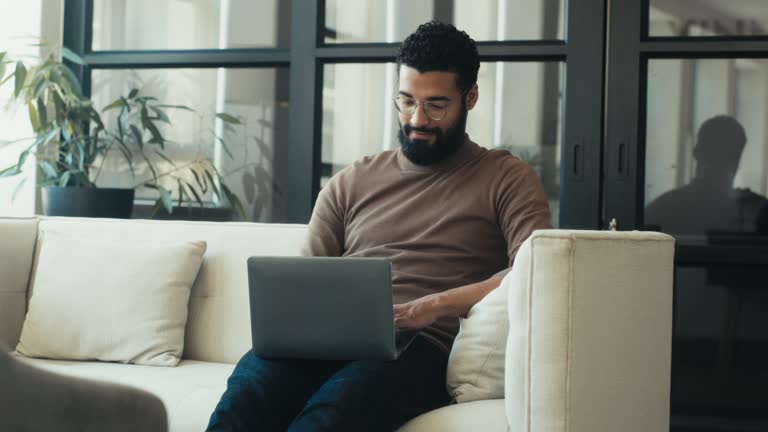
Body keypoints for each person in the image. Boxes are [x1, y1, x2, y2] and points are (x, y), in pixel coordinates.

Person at [207, 21, 552, 432]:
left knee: (330, 414)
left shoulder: (506, 177)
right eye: (406, 101)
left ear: (470, 98)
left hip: (419, 347)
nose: (417, 118)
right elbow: (305, 280)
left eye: (436, 105)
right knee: (244, 399)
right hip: (328, 339)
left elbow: (534, 271)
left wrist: (433, 306)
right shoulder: (353, 180)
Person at [645, 115, 768, 236]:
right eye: (718, 153)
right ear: (738, 161)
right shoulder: (755, 211)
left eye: (727, 154)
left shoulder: (662, 209)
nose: (720, 163)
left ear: (696, 153)